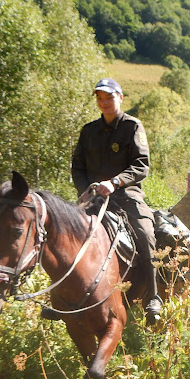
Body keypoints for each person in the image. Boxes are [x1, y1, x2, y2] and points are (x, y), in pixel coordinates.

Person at [71, 78, 162, 325]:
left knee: (145, 234)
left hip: (126, 196)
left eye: (109, 97)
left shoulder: (132, 126)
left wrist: (115, 182)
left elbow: (141, 165)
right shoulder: (88, 131)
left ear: (120, 98)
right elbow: (77, 167)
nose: (104, 102)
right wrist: (85, 191)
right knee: (63, 235)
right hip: (93, 199)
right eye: (99, 98)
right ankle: (63, 300)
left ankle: (153, 297)